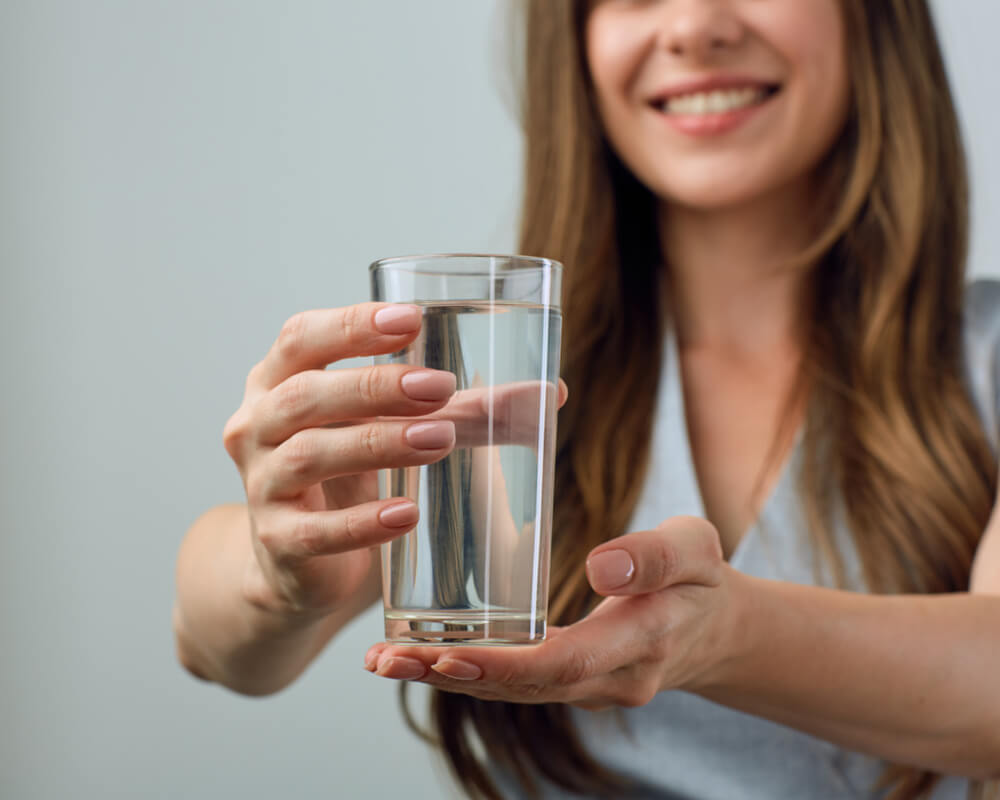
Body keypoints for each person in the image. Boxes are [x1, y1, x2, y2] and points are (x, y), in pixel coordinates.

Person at [173, 1, 1000, 798]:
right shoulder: (505, 373)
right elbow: (212, 648)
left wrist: (721, 635)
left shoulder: (985, 362)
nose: (692, 26)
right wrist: (280, 569)